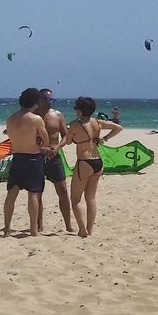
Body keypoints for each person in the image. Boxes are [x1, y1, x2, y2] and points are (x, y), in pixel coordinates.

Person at [57, 96, 123, 237]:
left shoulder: (76, 124)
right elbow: (118, 127)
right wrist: (105, 139)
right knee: (91, 198)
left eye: (76, 108)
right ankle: (90, 229)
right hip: (98, 161)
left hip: (84, 162)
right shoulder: (97, 122)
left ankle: (82, 230)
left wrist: (73, 135)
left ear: (80, 110)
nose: (75, 111)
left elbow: (68, 142)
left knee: (75, 199)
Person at [2, 88, 56, 237]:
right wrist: (42, 146)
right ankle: (33, 229)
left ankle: (6, 229)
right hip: (33, 158)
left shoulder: (10, 118)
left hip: (17, 157)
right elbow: (45, 140)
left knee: (11, 193)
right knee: (33, 194)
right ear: (35, 102)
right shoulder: (36, 119)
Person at [35, 89, 72, 234]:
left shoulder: (57, 115)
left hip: (54, 157)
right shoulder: (32, 116)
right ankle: (39, 225)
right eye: (46, 99)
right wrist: (40, 148)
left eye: (52, 100)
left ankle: (68, 225)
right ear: (39, 100)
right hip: (37, 156)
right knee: (37, 193)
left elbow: (66, 136)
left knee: (62, 190)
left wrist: (57, 147)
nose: (49, 102)